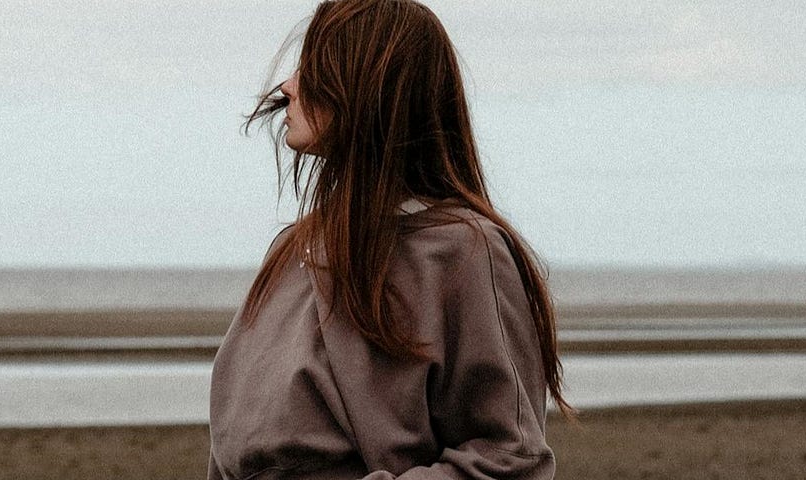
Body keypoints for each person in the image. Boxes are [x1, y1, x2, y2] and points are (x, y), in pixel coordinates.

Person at [206, 1, 576, 479]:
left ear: (365, 86)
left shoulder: (465, 252)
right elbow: (228, 451)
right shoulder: (290, 251)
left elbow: (509, 458)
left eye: (313, 65)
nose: (287, 86)